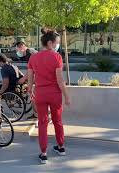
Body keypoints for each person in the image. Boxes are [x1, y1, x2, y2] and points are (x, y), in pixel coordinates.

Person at [27, 30, 70, 164]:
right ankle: (61, 147)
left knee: (43, 123)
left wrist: (30, 92)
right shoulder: (56, 57)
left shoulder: (33, 58)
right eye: (56, 43)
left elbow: (30, 80)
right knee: (57, 121)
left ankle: (43, 153)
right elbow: (60, 80)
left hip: (40, 94)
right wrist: (67, 96)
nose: (57, 45)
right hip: (55, 95)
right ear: (50, 43)